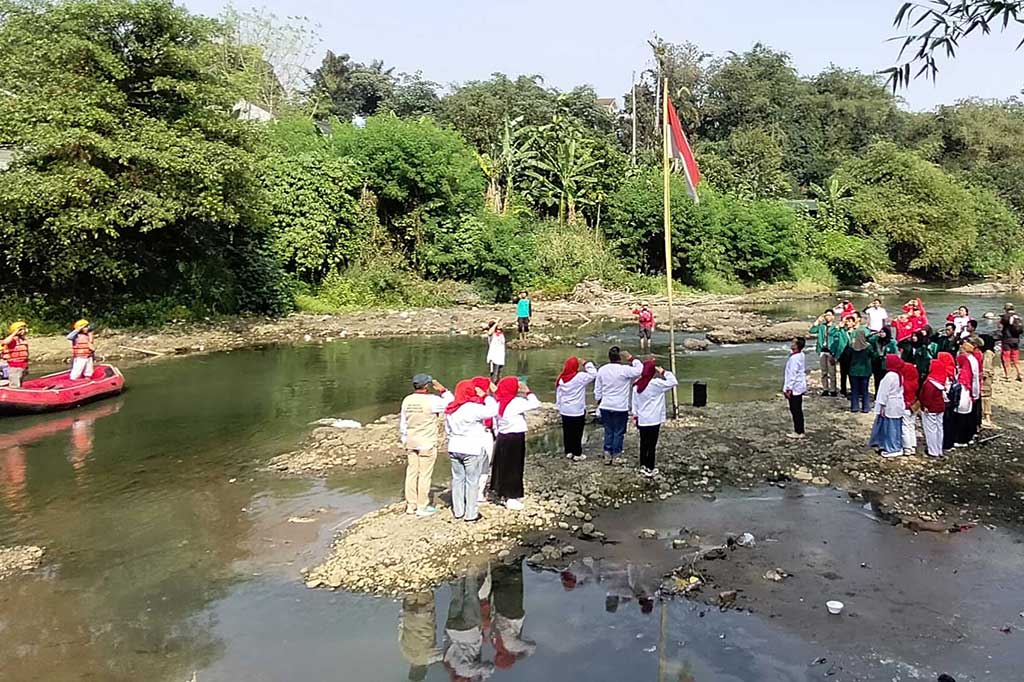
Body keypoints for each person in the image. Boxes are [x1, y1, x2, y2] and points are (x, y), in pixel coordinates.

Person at [400, 374, 454, 517]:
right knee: (424, 475)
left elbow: (403, 423)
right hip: (426, 442)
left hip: (411, 441)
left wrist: (404, 439)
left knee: (411, 473)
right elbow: (452, 403)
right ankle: (422, 506)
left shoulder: (407, 400)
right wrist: (443, 390)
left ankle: (411, 505)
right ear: (426, 386)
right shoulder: (433, 400)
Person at [445, 380, 498, 522]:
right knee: (472, 481)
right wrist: (486, 396)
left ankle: (458, 511)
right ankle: (471, 513)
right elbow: (494, 410)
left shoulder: (451, 409)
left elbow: (448, 430)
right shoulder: (472, 408)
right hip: (471, 448)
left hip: (454, 446)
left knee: (457, 479)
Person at [490, 377, 540, 510]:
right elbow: (535, 403)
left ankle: (501, 491)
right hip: (515, 437)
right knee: (514, 467)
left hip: (502, 437)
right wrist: (527, 391)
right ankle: (511, 496)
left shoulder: (498, 402)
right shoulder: (516, 402)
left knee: (502, 466)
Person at [630, 358, 678, 477]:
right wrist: (663, 372)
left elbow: (634, 404)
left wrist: (635, 416)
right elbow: (673, 382)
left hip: (642, 419)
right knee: (652, 445)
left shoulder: (637, 386)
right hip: (654, 419)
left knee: (643, 443)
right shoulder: (657, 384)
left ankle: (642, 465)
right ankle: (650, 467)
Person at [594, 346, 643, 465]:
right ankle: (616, 455)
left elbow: (598, 389)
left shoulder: (602, 369)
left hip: (606, 405)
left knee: (608, 430)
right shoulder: (624, 370)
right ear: (620, 358)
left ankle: (607, 453)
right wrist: (631, 358)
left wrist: (599, 401)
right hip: (620, 406)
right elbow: (640, 370)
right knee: (618, 432)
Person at [443, 571, 494, 681]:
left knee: (471, 596)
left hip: (470, 632)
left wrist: (482, 677)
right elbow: (446, 641)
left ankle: (472, 569)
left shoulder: (464, 671)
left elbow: (489, 667)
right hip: (452, 630)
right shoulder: (449, 662)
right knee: (456, 598)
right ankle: (457, 574)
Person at [490, 563, 536, 671]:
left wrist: (520, 656)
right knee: (501, 582)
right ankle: (499, 563)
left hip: (512, 614)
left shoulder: (511, 646)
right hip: (499, 609)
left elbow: (531, 647)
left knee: (515, 582)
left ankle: (516, 561)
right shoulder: (495, 643)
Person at [555, 357, 597, 461]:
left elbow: (559, 394)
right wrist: (586, 363)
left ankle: (569, 451)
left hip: (565, 410)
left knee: (567, 431)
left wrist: (559, 406)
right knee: (577, 433)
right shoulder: (580, 377)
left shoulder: (561, 378)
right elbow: (593, 374)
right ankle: (577, 453)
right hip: (577, 410)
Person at [399, 592, 442, 681]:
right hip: (409, 616)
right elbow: (401, 630)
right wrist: (402, 614)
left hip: (424, 616)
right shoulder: (405, 653)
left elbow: (445, 655)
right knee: (411, 590)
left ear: (424, 671)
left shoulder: (428, 659)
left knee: (425, 590)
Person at [869, 355, 906, 458]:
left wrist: (881, 405)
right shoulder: (899, 375)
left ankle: (893, 448)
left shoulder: (889, 376)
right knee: (896, 427)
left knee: (890, 428)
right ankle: (894, 445)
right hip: (897, 404)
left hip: (889, 404)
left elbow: (883, 392)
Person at [920, 352, 953, 458]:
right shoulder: (941, 380)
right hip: (940, 407)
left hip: (930, 409)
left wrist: (925, 406)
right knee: (939, 428)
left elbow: (927, 396)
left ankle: (932, 451)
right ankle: (939, 449)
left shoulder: (930, 383)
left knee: (930, 429)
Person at [952, 342, 980, 448]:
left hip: (966, 391)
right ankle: (968, 436)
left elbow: (974, 379)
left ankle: (962, 439)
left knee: (963, 416)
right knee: (967, 415)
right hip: (967, 391)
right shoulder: (967, 360)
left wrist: (975, 393)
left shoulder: (971, 362)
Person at [782, 337, 807, 440]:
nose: (791, 344)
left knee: (795, 410)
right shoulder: (800, 355)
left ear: (797, 345)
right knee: (798, 410)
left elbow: (792, 374)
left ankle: (798, 431)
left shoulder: (794, 358)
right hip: (798, 386)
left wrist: (788, 389)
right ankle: (800, 430)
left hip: (795, 387)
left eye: (793, 343)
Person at [809, 310, 839, 396]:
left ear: (833, 316)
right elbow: (812, 330)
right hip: (822, 350)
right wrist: (818, 321)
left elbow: (837, 339)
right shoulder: (822, 326)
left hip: (831, 351)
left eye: (829, 315)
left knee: (832, 372)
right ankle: (825, 389)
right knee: (823, 371)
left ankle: (833, 389)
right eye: (826, 315)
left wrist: (835, 353)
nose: (827, 317)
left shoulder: (835, 327)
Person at [898, 357, 919, 456]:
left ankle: (907, 447)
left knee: (905, 427)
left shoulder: (904, 384)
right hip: (914, 405)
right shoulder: (915, 383)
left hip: (905, 406)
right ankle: (913, 445)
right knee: (911, 426)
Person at [848, 328, 873, 413]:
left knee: (854, 390)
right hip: (865, 371)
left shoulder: (852, 346)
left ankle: (854, 407)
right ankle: (865, 407)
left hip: (853, 371)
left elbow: (848, 357)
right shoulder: (868, 347)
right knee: (865, 390)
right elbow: (874, 355)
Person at [868, 327, 898, 395]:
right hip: (877, 364)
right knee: (877, 380)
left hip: (887, 365)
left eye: (883, 332)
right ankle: (877, 395)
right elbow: (869, 339)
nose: (881, 334)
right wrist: (875, 335)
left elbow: (895, 354)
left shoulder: (892, 342)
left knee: (885, 381)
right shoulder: (877, 340)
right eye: (881, 332)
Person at [2, 322, 29, 388]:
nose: (23, 331)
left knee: (21, 383)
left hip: (23, 365)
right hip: (14, 367)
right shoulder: (13, 340)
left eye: (24, 329)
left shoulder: (22, 339)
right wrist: (14, 333)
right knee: (15, 385)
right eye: (21, 329)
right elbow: (5, 342)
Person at [999, 302, 1022, 381]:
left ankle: (1008, 376)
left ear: (1006, 309)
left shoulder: (1005, 317)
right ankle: (1020, 374)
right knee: (1015, 358)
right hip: (1016, 340)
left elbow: (1000, 327)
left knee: (1006, 358)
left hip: (1007, 340)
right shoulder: (1018, 316)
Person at [980, 335, 997, 428]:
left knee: (985, 397)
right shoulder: (988, 353)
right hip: (987, 378)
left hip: (986, 379)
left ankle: (987, 418)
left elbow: (986, 368)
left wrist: (982, 376)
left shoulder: (988, 353)